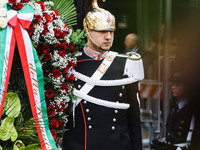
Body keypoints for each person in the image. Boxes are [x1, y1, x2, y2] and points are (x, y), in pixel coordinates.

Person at [63, 0, 144, 150]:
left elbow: (134, 119)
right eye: (102, 31)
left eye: (111, 31)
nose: (108, 37)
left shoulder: (126, 65)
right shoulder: (71, 64)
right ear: (88, 30)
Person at [151, 73, 195, 150]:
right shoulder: (174, 109)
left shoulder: (192, 111)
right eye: (172, 84)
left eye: (177, 84)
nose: (173, 87)